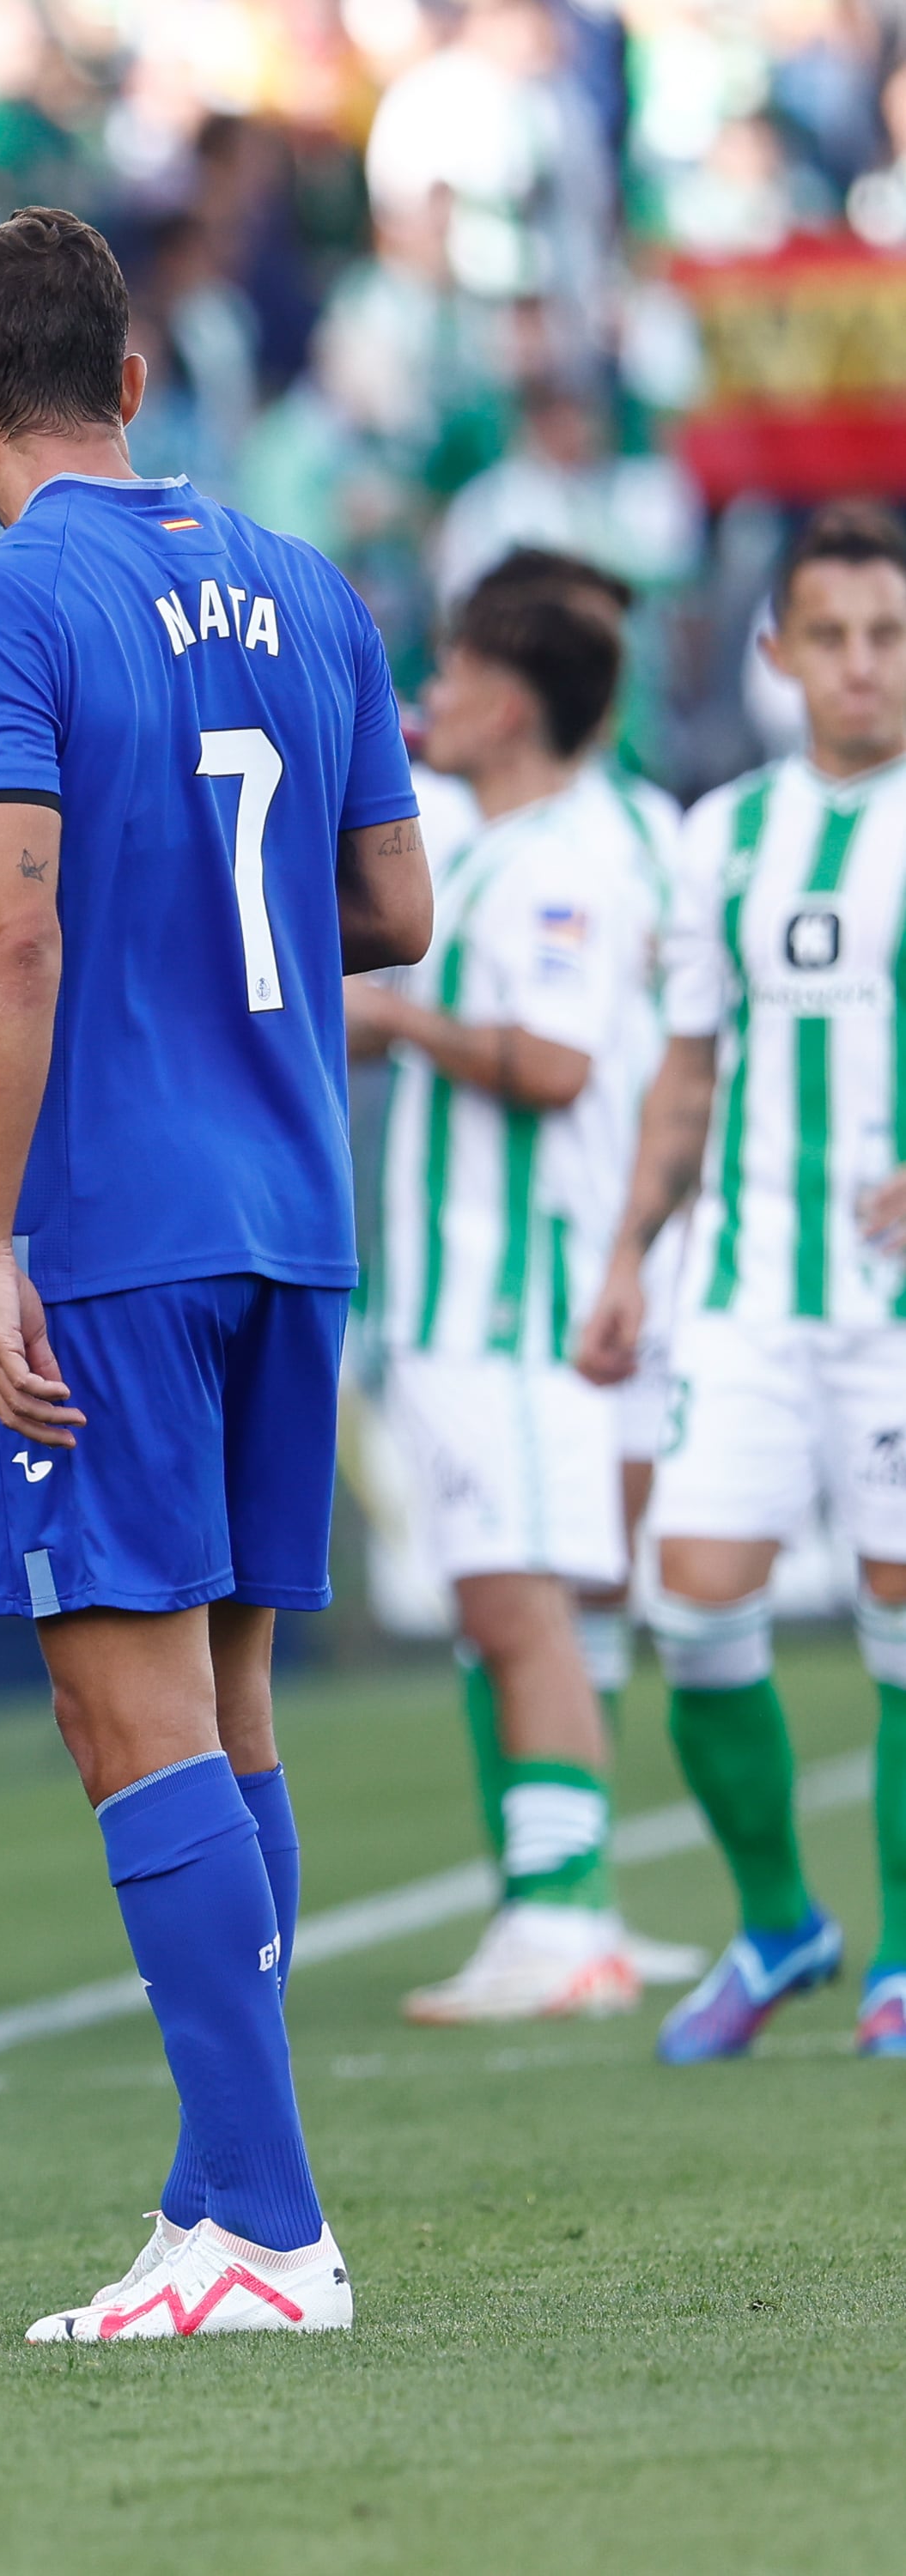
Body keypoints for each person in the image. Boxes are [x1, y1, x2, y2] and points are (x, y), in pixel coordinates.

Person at [0, 209, 430, 2342]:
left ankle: (270, 2231)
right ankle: (227, 2193)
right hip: (291, 1206)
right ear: (139, 379)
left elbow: (11, 928)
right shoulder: (310, 587)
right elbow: (393, 906)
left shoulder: (0, 602)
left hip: (116, 1223)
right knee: (226, 1710)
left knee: (122, 1707)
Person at [577, 501, 906, 2068]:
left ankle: (905, 1960)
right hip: (753, 1295)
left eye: (887, 637)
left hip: (899, 1314)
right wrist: (629, 1257)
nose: (860, 666)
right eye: (830, 637)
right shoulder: (723, 838)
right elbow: (688, 1080)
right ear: (775, 653)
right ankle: (781, 1920)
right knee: (691, 1605)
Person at [356, 588, 666, 2021]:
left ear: (517, 704)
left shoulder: (560, 866)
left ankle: (563, 1917)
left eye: (460, 672)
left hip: (514, 1293)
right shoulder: (497, 850)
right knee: (516, 1601)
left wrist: (401, 1021)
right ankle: (560, 1905)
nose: (437, 690)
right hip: (467, 1291)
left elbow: (553, 1064)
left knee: (520, 1604)